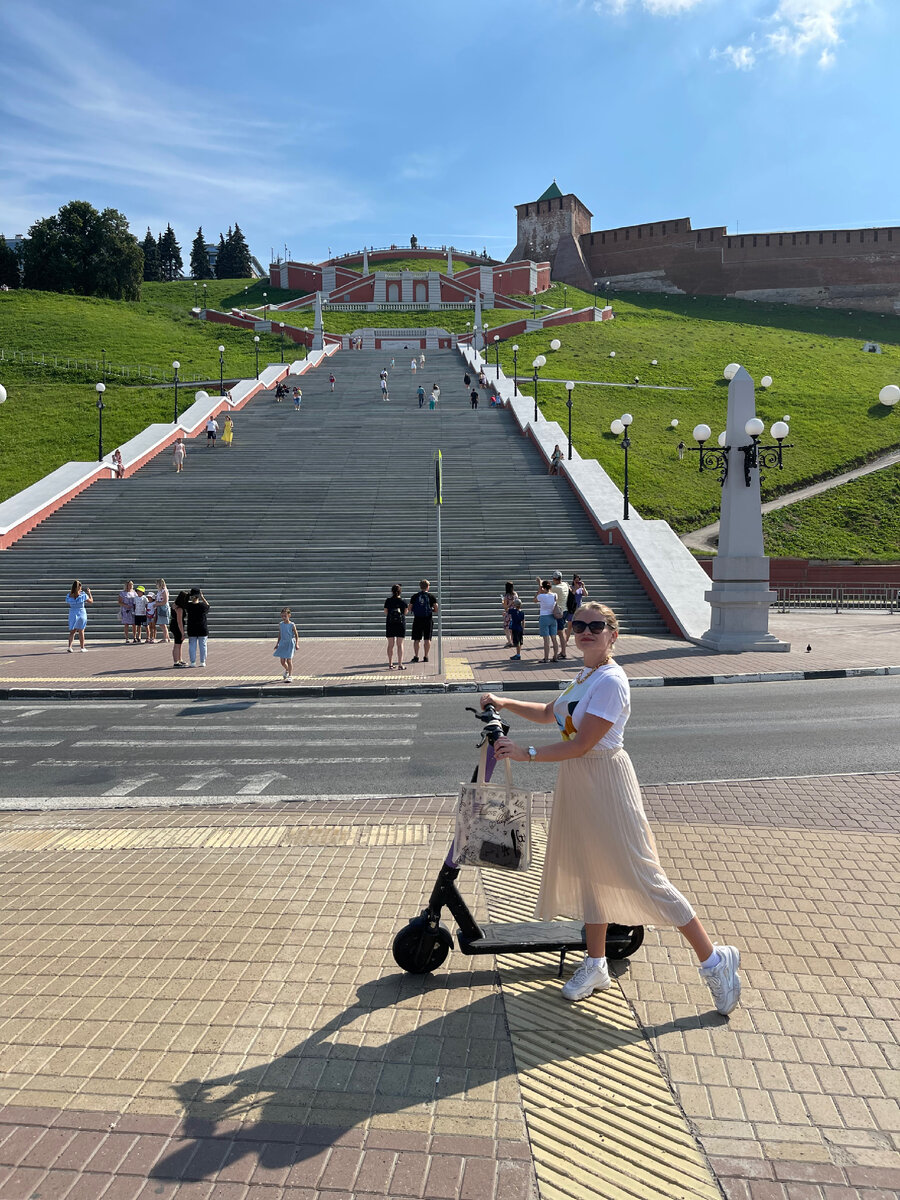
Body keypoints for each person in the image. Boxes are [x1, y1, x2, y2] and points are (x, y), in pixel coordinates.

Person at [483, 602, 742, 1014]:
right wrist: (505, 700)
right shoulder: (584, 675)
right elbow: (552, 714)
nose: (586, 631)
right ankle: (596, 962)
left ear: (612, 634)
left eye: (595, 626)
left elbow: (582, 744)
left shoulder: (611, 681)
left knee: (644, 874)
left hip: (605, 780)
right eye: (579, 624)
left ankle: (715, 960)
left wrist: (524, 753)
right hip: (578, 782)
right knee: (591, 872)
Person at [408, 580, 438, 663]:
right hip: (428, 619)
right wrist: (431, 609)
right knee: (427, 639)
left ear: (420, 586)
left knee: (417, 639)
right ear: (428, 587)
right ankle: (426, 656)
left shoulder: (415, 596)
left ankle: (416, 656)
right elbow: (436, 609)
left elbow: (409, 608)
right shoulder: (431, 596)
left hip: (417, 619)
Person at [534, 579, 560, 663]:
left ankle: (546, 658)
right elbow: (551, 595)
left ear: (543, 588)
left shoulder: (541, 596)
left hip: (544, 617)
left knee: (546, 640)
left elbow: (535, 600)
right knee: (554, 638)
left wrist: (539, 586)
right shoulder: (554, 595)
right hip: (553, 617)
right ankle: (555, 656)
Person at [383, 584, 408, 670]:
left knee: (390, 644)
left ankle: (390, 664)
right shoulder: (403, 601)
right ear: (400, 591)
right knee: (400, 644)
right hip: (400, 624)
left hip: (390, 623)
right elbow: (405, 612)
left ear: (392, 591)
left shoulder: (388, 601)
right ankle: (400, 664)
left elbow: (385, 612)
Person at [548, 569, 571, 657]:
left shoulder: (556, 588)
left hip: (559, 612)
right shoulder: (565, 584)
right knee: (561, 631)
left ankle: (563, 652)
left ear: (555, 579)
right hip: (565, 610)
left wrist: (540, 583)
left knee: (560, 632)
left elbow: (547, 590)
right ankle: (563, 651)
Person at [185, 588, 210, 667]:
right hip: (202, 628)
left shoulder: (189, 606)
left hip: (192, 628)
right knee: (203, 645)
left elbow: (184, 603)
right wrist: (202, 597)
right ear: (198, 596)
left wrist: (188, 596)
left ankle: (193, 662)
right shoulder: (202, 606)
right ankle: (202, 662)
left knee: (192, 645)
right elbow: (208, 606)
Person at [563, 573, 588, 650]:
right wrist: (576, 588)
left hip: (579, 609)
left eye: (579, 581)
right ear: (573, 581)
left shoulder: (581, 589)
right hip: (572, 609)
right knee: (570, 626)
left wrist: (583, 586)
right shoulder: (570, 588)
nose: (578, 582)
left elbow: (586, 594)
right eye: (576, 581)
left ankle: (581, 641)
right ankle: (565, 641)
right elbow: (572, 594)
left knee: (580, 626)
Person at [65, 580, 93, 652]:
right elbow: (91, 601)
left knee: (72, 631)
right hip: (81, 611)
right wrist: (89, 593)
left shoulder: (69, 595)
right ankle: (82, 647)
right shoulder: (83, 595)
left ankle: (70, 647)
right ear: (79, 587)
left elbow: (67, 601)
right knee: (81, 630)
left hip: (72, 612)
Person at [273, 607, 299, 682]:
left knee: (289, 660)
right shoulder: (281, 624)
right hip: (282, 643)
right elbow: (280, 634)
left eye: (285, 616)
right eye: (282, 616)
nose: (283, 618)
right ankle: (287, 670)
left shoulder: (292, 624)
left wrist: (297, 644)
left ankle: (290, 676)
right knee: (282, 661)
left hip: (290, 643)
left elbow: (296, 634)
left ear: (289, 615)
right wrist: (277, 643)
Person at [169, 590, 189, 667]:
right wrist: (182, 633)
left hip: (173, 625)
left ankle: (179, 659)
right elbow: (179, 621)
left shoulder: (174, 605)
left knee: (179, 644)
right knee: (177, 644)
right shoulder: (179, 609)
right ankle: (176, 661)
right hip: (177, 626)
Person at [502, 580, 519, 647]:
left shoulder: (506, 596)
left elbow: (505, 607)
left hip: (509, 613)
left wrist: (508, 604)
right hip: (515, 613)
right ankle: (513, 641)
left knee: (506, 627)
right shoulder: (516, 594)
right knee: (513, 628)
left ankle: (509, 641)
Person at [155, 579, 171, 645]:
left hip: (163, 607)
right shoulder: (160, 591)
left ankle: (165, 638)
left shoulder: (164, 591)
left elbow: (165, 601)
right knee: (162, 623)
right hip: (160, 606)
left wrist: (157, 604)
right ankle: (167, 637)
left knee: (162, 624)